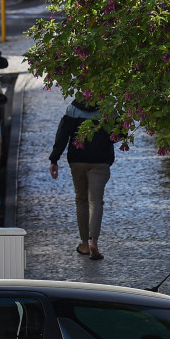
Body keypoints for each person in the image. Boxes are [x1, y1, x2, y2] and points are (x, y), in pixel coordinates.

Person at [48, 98, 115, 260]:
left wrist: (54, 159)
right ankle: (94, 242)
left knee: (81, 200)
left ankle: (84, 244)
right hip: (101, 161)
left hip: (78, 160)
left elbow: (62, 134)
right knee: (96, 201)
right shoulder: (109, 107)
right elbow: (120, 133)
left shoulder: (72, 109)